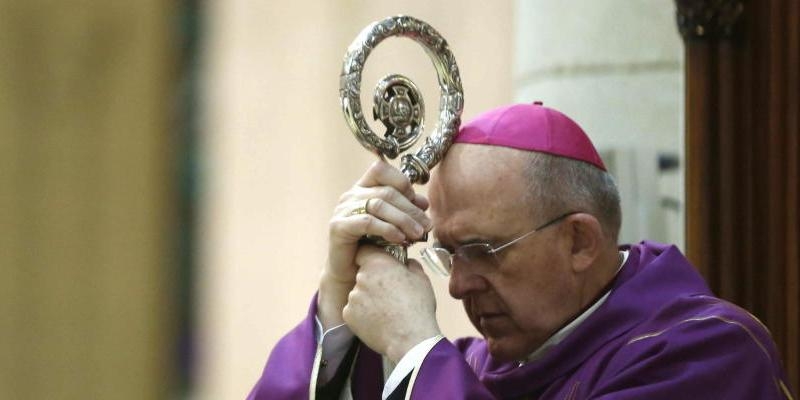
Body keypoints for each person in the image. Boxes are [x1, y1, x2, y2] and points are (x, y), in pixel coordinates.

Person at [247, 103, 794, 399]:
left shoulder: (704, 353)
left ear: (579, 241)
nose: (457, 286)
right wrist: (336, 297)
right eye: (448, 253)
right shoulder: (472, 368)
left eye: (482, 249)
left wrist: (417, 352)